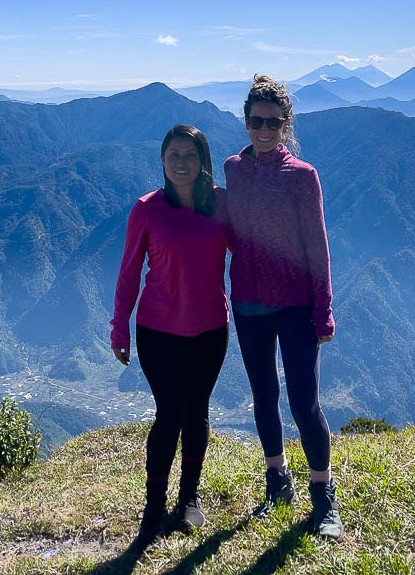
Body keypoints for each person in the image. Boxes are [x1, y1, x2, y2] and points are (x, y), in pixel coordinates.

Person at [225, 75, 343, 540]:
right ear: (246, 121)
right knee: (263, 395)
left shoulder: (303, 176)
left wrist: (324, 309)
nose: (264, 129)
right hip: (248, 302)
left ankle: (322, 493)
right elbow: (229, 230)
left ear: (287, 123)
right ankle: (277, 480)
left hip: (295, 304)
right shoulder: (234, 169)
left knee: (304, 400)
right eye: (256, 121)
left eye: (273, 122)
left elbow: (318, 245)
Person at [110, 124, 230, 545]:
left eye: (190, 155)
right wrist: (118, 327)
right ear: (162, 160)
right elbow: (128, 272)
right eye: (174, 155)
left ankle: (189, 498)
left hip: (211, 329)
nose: (182, 163)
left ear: (203, 162)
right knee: (169, 414)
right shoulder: (146, 209)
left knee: (196, 411)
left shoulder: (219, 204)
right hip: (158, 331)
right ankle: (154, 504)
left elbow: (250, 253)